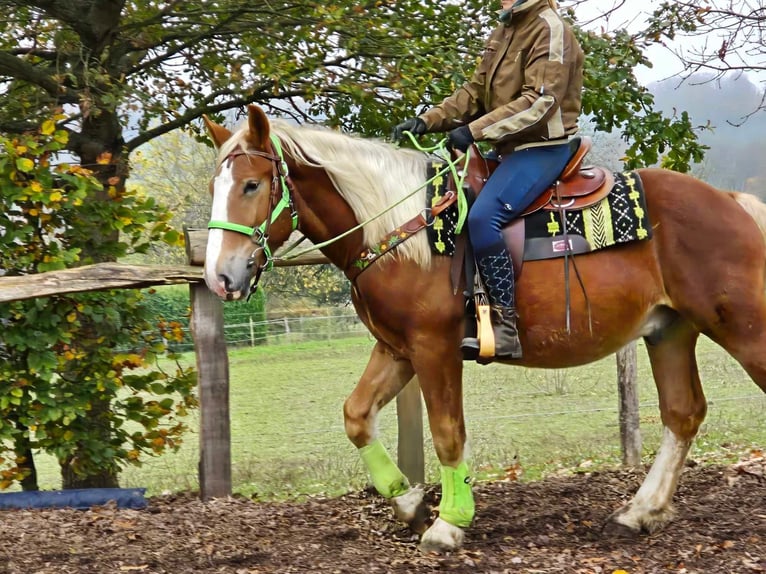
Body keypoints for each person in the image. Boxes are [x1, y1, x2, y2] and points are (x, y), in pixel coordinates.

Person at [392, 0, 584, 360]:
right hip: (508, 149)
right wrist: (427, 120)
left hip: (543, 147)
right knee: (452, 205)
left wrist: (474, 131)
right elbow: (475, 92)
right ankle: (466, 311)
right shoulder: (505, 28)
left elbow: (539, 102)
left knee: (483, 218)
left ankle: (505, 326)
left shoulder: (549, 27)